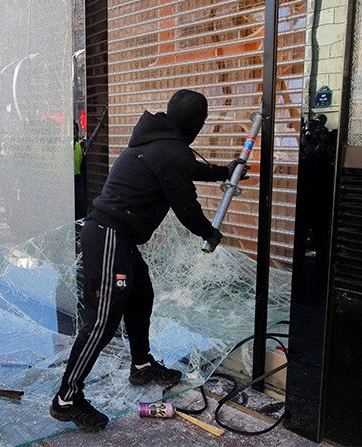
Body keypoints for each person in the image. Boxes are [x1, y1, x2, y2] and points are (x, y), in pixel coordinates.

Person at [49, 90, 249, 431]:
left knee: (142, 296)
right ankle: (66, 399)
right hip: (110, 236)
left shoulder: (159, 142)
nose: (200, 128)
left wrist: (222, 171)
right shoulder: (168, 150)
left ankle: (141, 366)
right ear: (193, 122)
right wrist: (208, 232)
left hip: (119, 237)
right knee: (102, 322)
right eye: (200, 122)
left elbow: (183, 168)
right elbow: (186, 206)